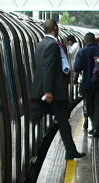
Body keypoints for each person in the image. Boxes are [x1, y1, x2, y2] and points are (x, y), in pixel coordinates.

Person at [31, 19, 85, 159]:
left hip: (41, 91)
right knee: (63, 123)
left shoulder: (41, 44)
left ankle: (70, 150)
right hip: (53, 93)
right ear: (55, 29)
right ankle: (71, 151)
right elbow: (48, 69)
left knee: (36, 119)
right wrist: (48, 91)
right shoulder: (52, 45)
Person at [73, 32, 99, 138]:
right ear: (94, 39)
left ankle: (93, 123)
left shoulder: (82, 52)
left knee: (89, 105)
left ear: (85, 41)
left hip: (87, 84)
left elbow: (77, 68)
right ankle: (96, 128)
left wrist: (75, 79)